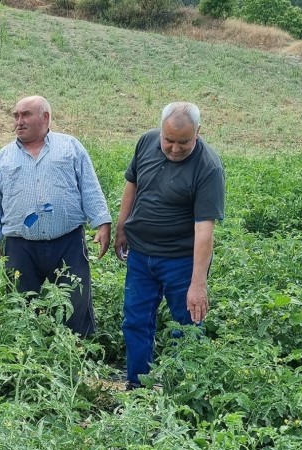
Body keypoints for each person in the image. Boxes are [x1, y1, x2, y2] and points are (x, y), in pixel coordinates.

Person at [113, 101, 225, 388]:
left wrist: (198, 284)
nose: (175, 148)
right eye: (169, 140)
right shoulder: (146, 142)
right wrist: (122, 227)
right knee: (136, 322)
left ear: (198, 133)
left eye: (184, 142)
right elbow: (132, 183)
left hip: (180, 261)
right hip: (141, 256)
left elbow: (204, 231)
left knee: (186, 327)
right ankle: (137, 387)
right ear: (160, 131)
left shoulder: (208, 167)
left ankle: (180, 393)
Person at [0, 95, 112, 337]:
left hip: (68, 241)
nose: (19, 121)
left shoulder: (70, 147)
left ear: (45, 117)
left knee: (75, 300)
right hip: (20, 246)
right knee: (20, 305)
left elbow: (90, 187)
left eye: (25, 115)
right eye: (16, 116)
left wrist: (102, 223)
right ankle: (26, 353)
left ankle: (78, 354)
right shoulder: (4, 157)